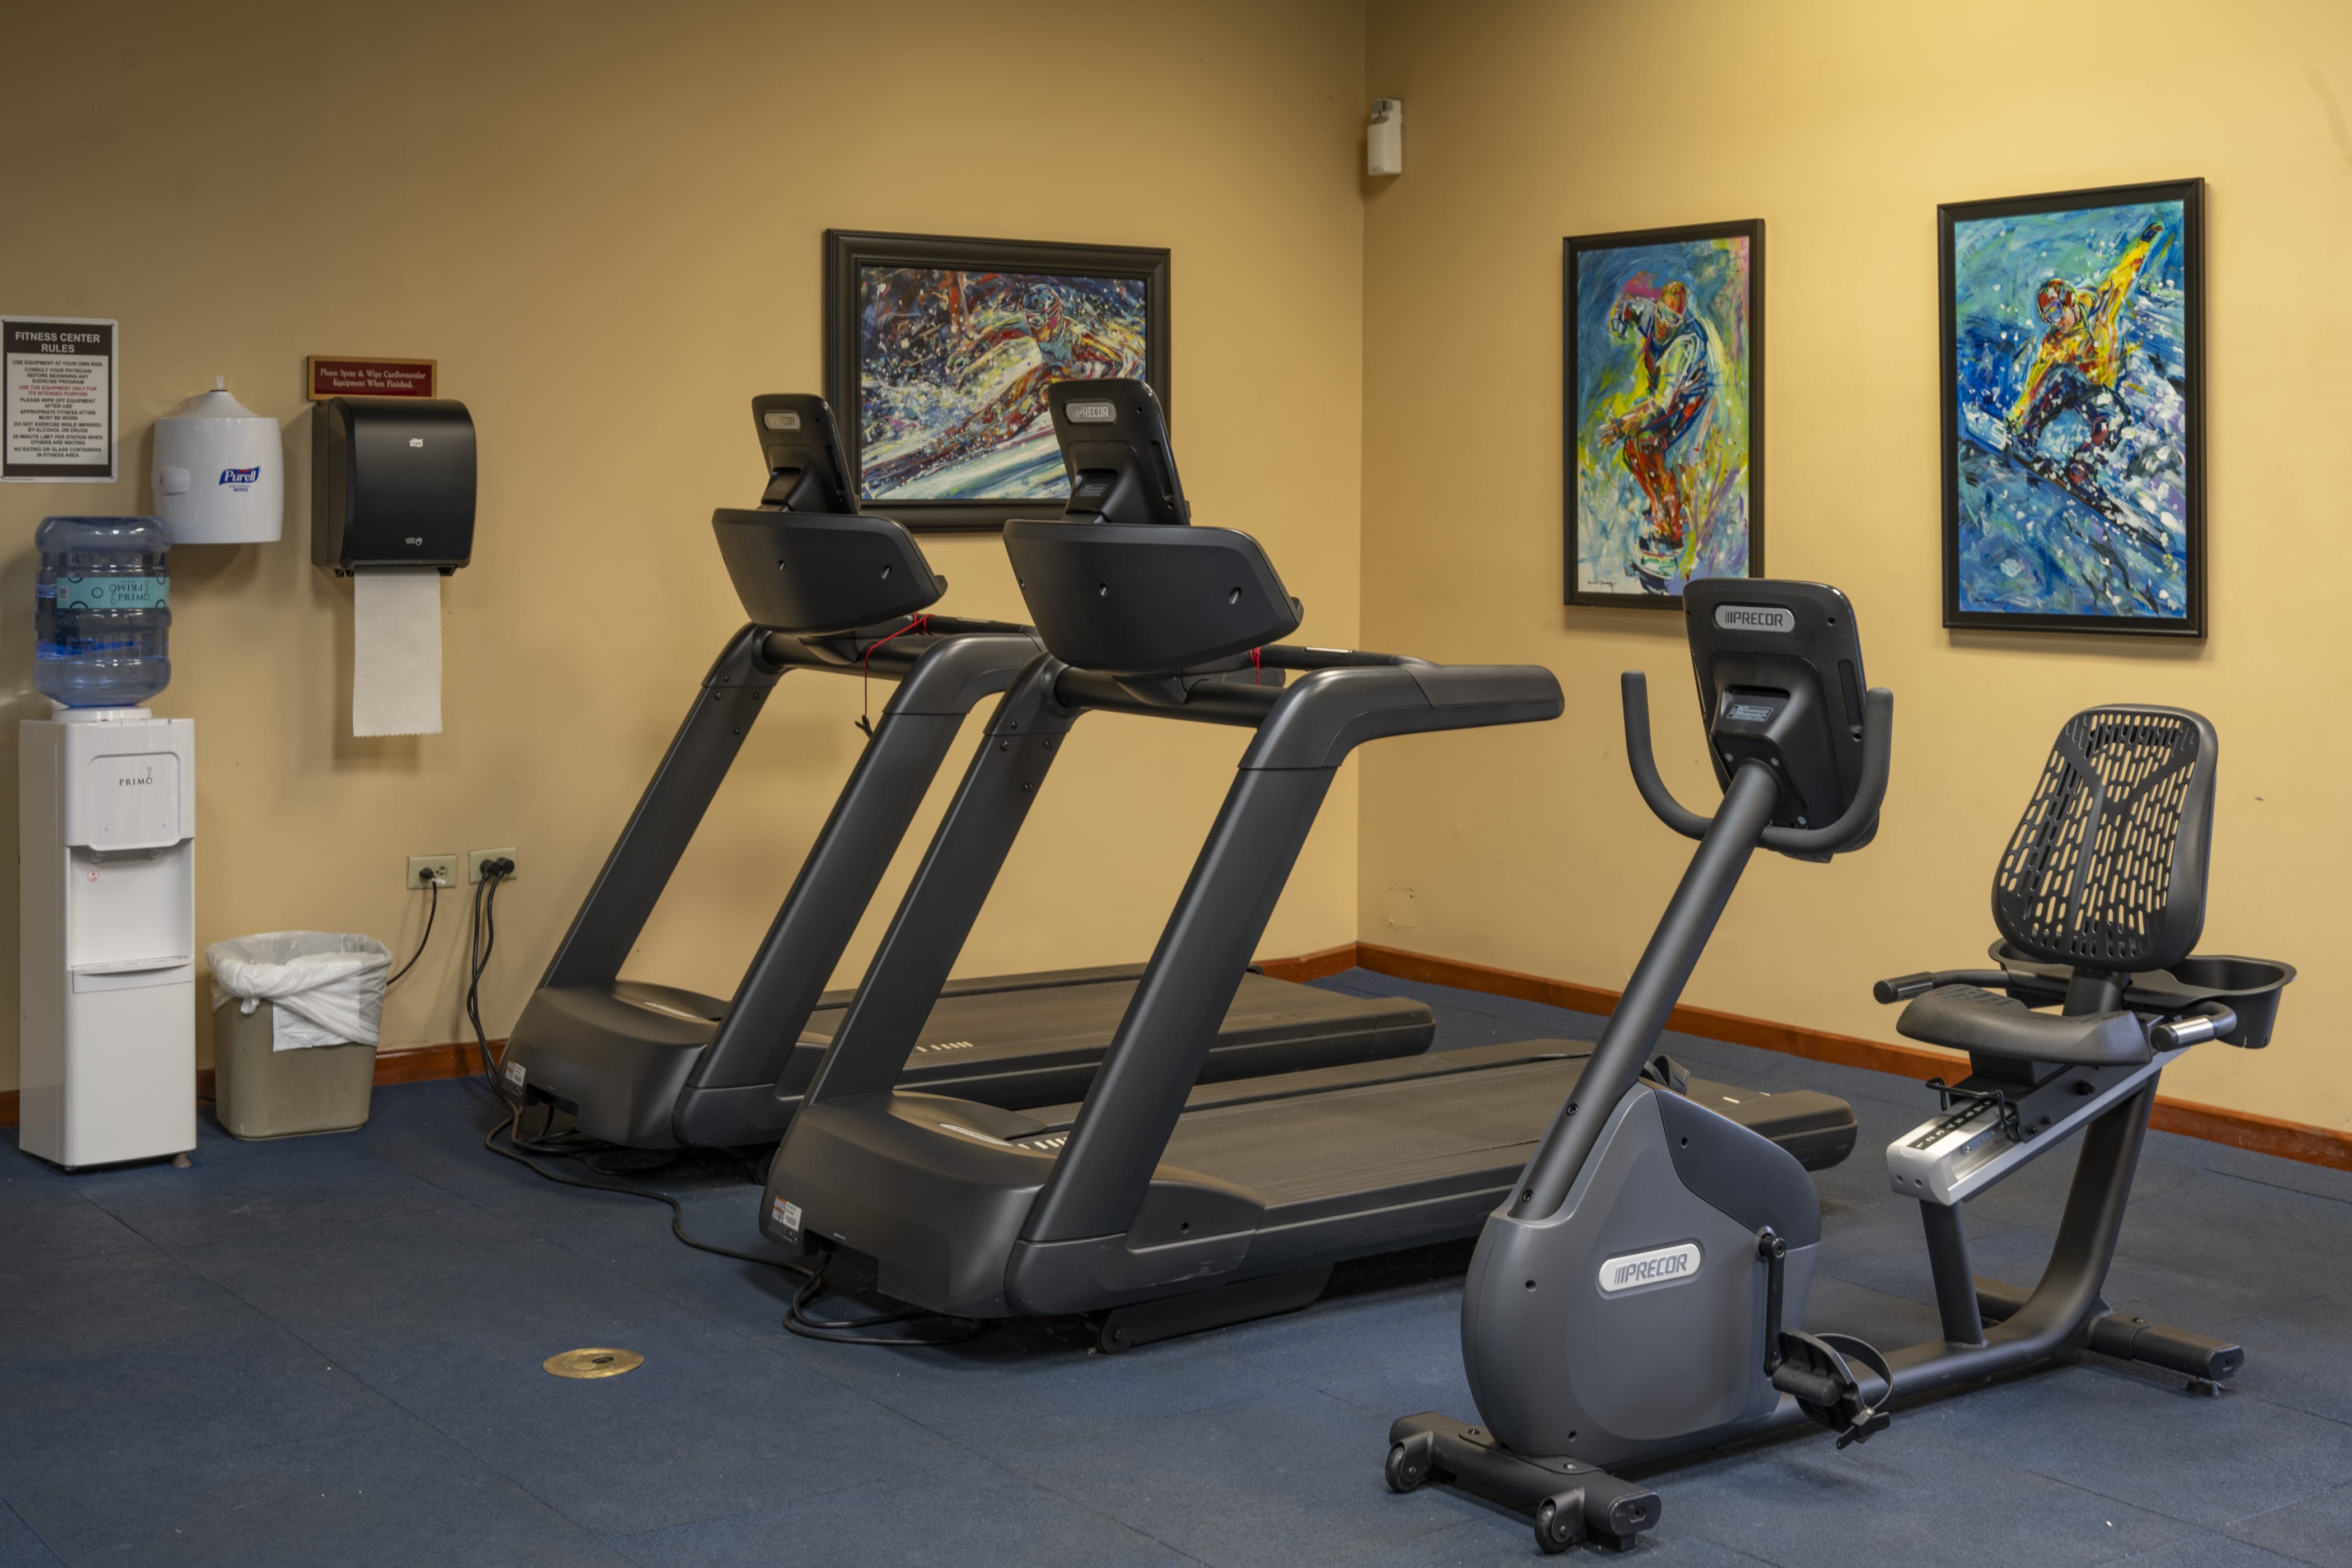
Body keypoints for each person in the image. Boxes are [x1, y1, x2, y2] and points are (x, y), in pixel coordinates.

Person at [2008, 218, 2167, 493]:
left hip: (2095, 391)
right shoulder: (2054, 343)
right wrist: (2018, 415)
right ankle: (2028, 436)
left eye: (2056, 313)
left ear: (2069, 301)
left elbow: (2123, 273)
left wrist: (2143, 244)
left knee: (2117, 414)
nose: (2054, 322)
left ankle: (2082, 469)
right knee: (2061, 374)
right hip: (2069, 388)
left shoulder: (2099, 307)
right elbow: (2036, 381)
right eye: (2048, 318)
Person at [1598, 280, 1714, 552]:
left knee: (1646, 446)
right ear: (1658, 306)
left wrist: (1621, 426)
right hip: (1666, 395)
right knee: (1632, 450)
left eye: (1673, 319)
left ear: (1682, 320)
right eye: (1662, 313)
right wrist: (1619, 320)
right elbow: (1627, 306)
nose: (1664, 324)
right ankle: (1659, 502)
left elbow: (1661, 405)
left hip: (1686, 399)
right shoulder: (1651, 314)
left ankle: (1670, 534)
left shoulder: (1683, 346)